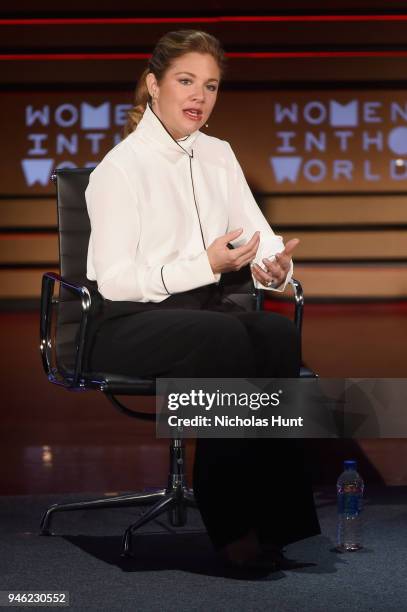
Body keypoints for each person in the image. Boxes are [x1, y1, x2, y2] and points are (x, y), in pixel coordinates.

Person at [85, 30, 320, 571]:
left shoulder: (220, 155)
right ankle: (232, 527)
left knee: (277, 333)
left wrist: (275, 269)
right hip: (129, 321)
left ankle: (276, 523)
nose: (199, 96)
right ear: (154, 85)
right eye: (186, 81)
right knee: (228, 336)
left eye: (210, 86)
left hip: (207, 312)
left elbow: (257, 238)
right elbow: (115, 280)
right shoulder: (119, 169)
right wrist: (204, 265)